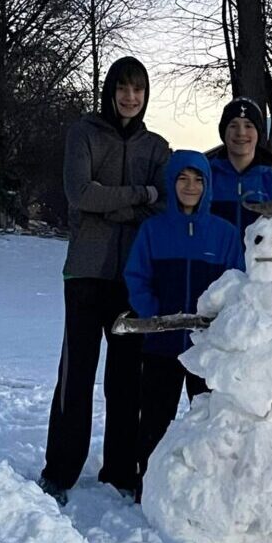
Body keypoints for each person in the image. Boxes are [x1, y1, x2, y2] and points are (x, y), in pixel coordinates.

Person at [39, 57, 170, 506]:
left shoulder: (157, 147)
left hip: (132, 278)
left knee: (125, 380)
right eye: (122, 88)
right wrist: (136, 196)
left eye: (137, 89)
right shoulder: (84, 133)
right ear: (110, 91)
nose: (130, 97)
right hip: (85, 273)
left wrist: (112, 206)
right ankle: (60, 470)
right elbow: (80, 193)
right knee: (76, 375)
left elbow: (164, 203)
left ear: (145, 94)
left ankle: (120, 467)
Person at [124, 150, 244, 490]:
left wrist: (220, 325)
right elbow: (137, 277)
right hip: (162, 345)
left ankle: (204, 485)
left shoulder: (224, 234)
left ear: (207, 186)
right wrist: (154, 314)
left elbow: (236, 284)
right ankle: (149, 482)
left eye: (198, 180)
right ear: (171, 183)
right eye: (182, 179)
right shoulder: (153, 230)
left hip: (207, 349)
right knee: (155, 417)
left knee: (206, 416)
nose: (190, 186)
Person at [210, 97, 272, 239]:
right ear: (224, 132)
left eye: (248, 125)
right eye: (233, 125)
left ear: (258, 132)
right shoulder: (207, 178)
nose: (241, 133)